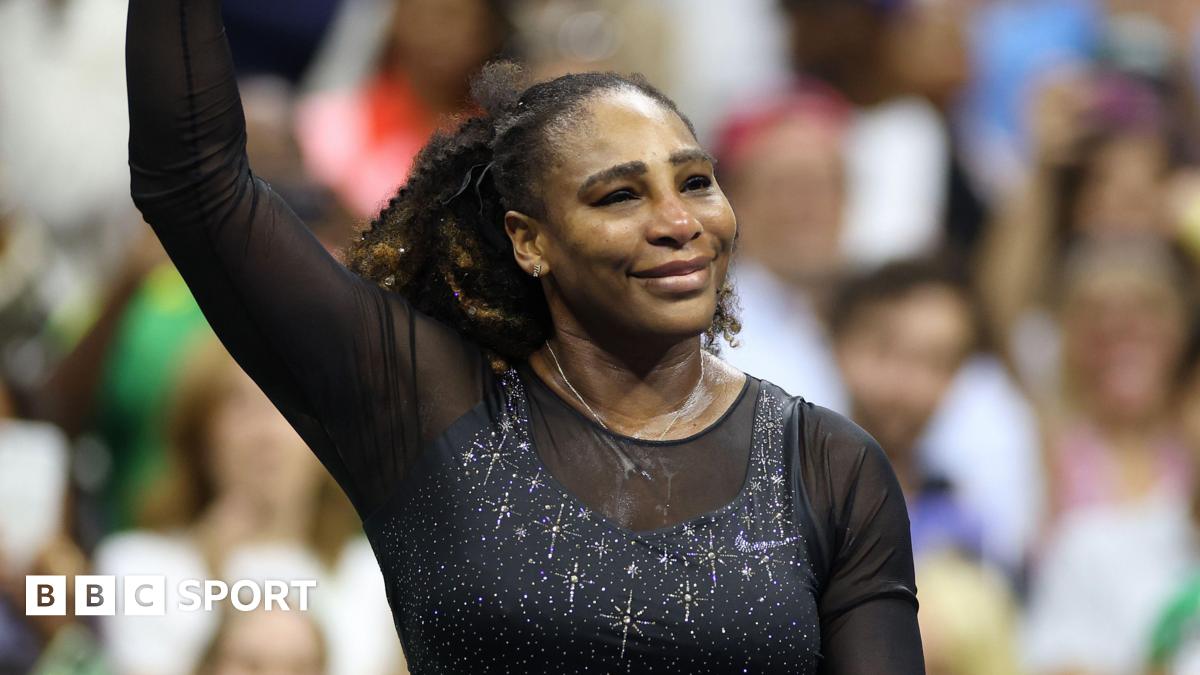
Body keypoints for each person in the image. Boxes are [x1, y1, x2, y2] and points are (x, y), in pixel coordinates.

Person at [125, 0, 923, 671]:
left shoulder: (829, 466)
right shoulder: (426, 408)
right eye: (619, 195)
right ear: (528, 239)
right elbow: (196, 181)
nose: (679, 222)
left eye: (695, 181)